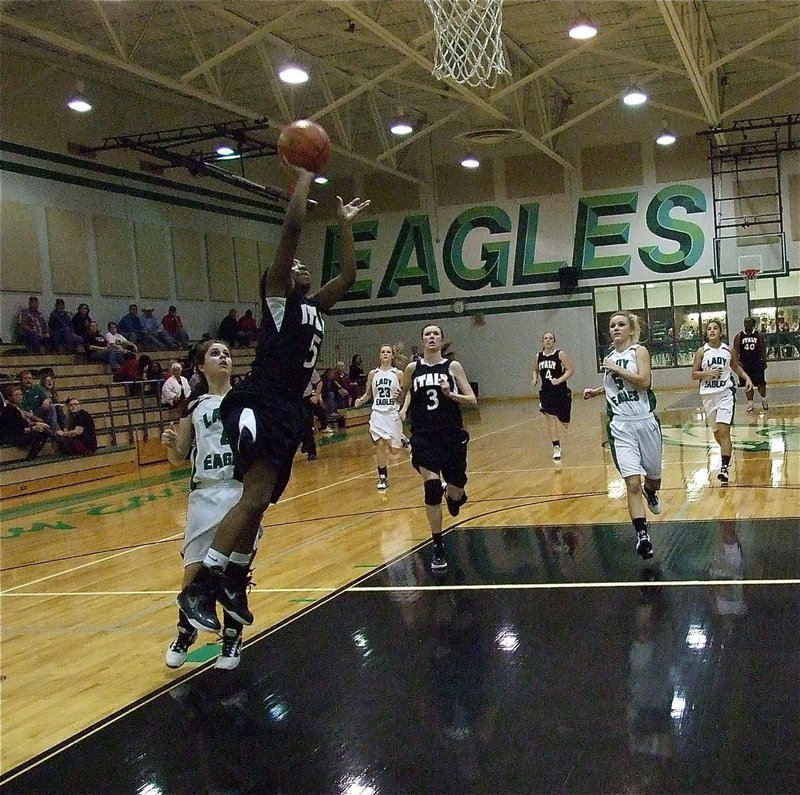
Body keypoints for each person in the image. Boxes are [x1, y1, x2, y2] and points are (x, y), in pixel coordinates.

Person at [176, 162, 370, 633]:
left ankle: (233, 578)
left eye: (305, 266)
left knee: (261, 499)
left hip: (286, 408)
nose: (301, 266)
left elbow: (348, 273)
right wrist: (304, 178)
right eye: (294, 265)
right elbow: (291, 231)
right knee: (254, 492)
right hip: (258, 401)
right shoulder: (277, 298)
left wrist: (344, 227)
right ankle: (203, 584)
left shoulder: (316, 307)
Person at [161, 340, 255, 671]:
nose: (223, 357)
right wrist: (171, 445)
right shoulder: (193, 406)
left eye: (227, 353)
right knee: (194, 570)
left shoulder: (245, 401)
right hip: (204, 492)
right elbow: (178, 458)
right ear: (201, 365)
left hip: (239, 492)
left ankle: (232, 638)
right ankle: (184, 633)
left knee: (233, 575)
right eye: (215, 353)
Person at [583, 311, 663, 560]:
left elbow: (643, 382)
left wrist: (616, 368)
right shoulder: (609, 358)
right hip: (621, 427)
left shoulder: (638, 352)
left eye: (621, 325)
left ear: (630, 330)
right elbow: (615, 385)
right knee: (632, 483)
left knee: (653, 479)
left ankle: (653, 492)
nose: (616, 328)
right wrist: (597, 391)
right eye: (612, 325)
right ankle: (642, 535)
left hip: (646, 423)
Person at [398, 324, 477, 573]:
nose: (431, 337)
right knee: (432, 488)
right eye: (427, 335)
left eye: (436, 334)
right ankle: (438, 545)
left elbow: (473, 400)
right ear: (422, 341)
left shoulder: (452, 367)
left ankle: (456, 496)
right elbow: (404, 396)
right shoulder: (412, 369)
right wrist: (398, 399)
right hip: (423, 436)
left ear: (442, 341)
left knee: (455, 490)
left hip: (451, 436)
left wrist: (451, 394)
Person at [692, 319, 753, 484]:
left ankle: (724, 467)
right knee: (717, 433)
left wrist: (746, 378)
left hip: (725, 394)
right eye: (709, 329)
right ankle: (727, 452)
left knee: (724, 431)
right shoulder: (701, 352)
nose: (712, 331)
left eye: (715, 328)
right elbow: (694, 374)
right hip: (708, 395)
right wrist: (708, 373)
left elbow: (735, 366)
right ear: (706, 333)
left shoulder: (727, 349)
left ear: (721, 332)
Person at [354, 345, 407, 490]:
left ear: (392, 356)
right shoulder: (373, 373)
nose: (385, 354)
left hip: (392, 413)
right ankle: (383, 477)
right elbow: (368, 394)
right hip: (377, 413)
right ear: (379, 356)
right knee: (380, 445)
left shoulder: (398, 374)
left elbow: (406, 394)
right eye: (383, 352)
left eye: (388, 352)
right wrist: (360, 400)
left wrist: (404, 408)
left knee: (394, 451)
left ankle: (402, 439)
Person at [531, 331, 574, 461]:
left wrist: (559, 380)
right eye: (545, 338)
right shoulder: (538, 356)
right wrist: (534, 379)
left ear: (554, 341)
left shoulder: (560, 354)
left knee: (564, 421)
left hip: (561, 391)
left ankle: (563, 420)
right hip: (546, 392)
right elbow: (535, 369)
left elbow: (570, 370)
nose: (548, 340)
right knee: (550, 419)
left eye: (550, 338)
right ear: (542, 341)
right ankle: (556, 447)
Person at [0, 386, 52, 459]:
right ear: (9, 397)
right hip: (9, 437)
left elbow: (23, 424)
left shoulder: (17, 409)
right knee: (41, 434)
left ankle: (56, 437)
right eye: (16, 395)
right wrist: (34, 428)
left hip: (16, 434)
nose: (19, 397)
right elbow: (18, 430)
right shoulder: (9, 410)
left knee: (44, 429)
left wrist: (37, 424)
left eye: (20, 394)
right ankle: (31, 457)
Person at [733, 317, 768, 413]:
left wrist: (764, 361)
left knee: (761, 384)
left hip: (757, 363)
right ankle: (750, 403)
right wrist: (736, 362)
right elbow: (735, 349)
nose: (747, 325)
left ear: (753, 324)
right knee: (748, 385)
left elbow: (763, 348)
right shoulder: (739, 336)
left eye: (749, 323)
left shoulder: (758, 335)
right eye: (745, 323)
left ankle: (764, 400)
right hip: (745, 364)